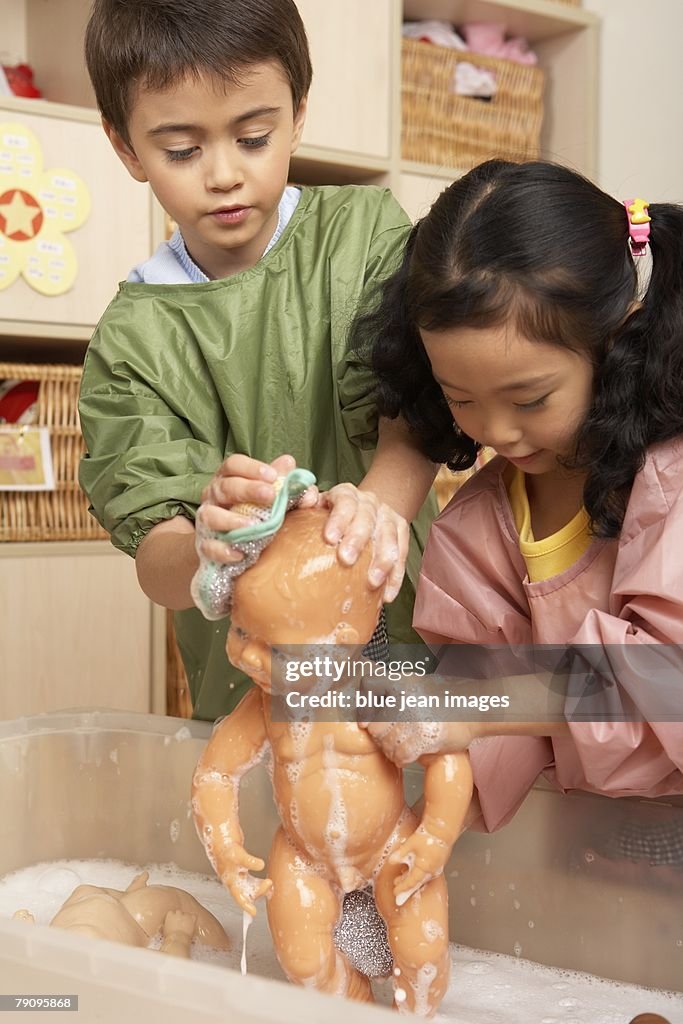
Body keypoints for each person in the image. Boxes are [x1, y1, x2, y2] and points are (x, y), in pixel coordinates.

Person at [78, 0, 437, 721]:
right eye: (181, 150)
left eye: (253, 137)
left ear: (298, 112)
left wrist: (367, 521)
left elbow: (419, 411)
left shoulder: (364, 235)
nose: (223, 176)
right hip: (251, 686)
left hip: (406, 641)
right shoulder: (129, 343)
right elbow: (157, 556)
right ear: (126, 149)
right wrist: (208, 552)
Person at [354, 159, 683, 833]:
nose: (495, 431)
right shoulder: (476, 529)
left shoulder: (671, 481)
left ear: (617, 339)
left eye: (529, 399)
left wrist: (477, 709)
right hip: (591, 845)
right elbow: (483, 727)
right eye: (460, 400)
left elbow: (664, 677)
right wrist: (418, 834)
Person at [192, 507, 473, 1015]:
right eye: (239, 634)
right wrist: (228, 852)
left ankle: (418, 1011)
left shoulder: (376, 692)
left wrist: (435, 836)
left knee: (422, 951)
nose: (251, 658)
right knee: (302, 961)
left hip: (391, 843)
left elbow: (447, 758)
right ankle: (354, 1005)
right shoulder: (263, 704)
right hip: (303, 854)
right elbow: (216, 772)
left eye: (273, 648)